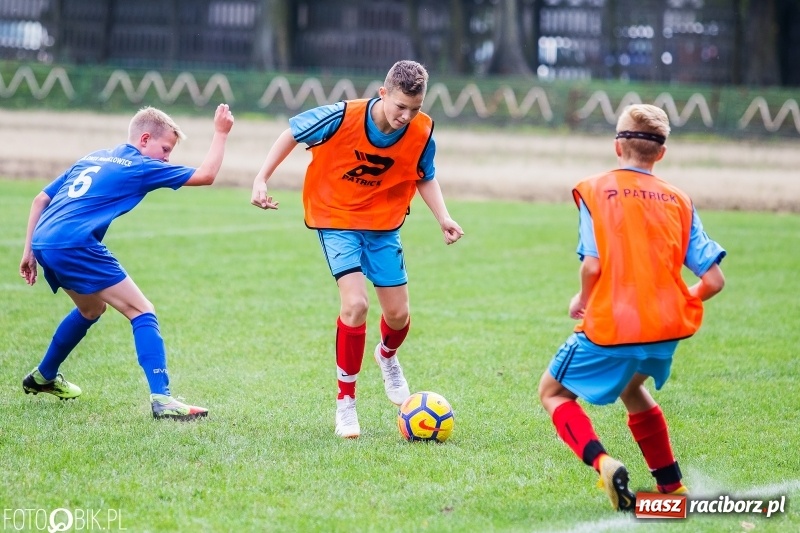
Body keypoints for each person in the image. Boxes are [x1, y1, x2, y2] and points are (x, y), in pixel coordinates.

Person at [251, 60, 464, 438]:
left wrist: (443, 218)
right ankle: (345, 403)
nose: (406, 116)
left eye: (415, 109)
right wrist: (261, 178)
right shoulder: (341, 116)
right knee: (356, 305)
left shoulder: (422, 130)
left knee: (397, 315)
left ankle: (387, 356)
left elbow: (424, 176)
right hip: (335, 217)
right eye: (400, 107)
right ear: (383, 93)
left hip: (382, 224)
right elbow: (291, 133)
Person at [537, 104, 726, 511]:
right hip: (664, 330)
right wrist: (674, 303)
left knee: (553, 393)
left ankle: (604, 463)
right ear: (661, 153)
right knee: (633, 387)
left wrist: (583, 301)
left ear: (617, 146)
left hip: (612, 325)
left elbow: (592, 265)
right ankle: (672, 488)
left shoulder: (594, 188)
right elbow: (713, 281)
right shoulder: (680, 199)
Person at [19, 104, 235, 421]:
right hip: (75, 243)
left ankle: (44, 376)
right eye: (165, 149)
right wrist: (221, 132)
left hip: (44, 241)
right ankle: (163, 399)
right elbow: (207, 175)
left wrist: (28, 250)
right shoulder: (139, 165)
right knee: (142, 310)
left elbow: (41, 199)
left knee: (91, 309)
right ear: (144, 139)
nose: (166, 158)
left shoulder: (94, 157)